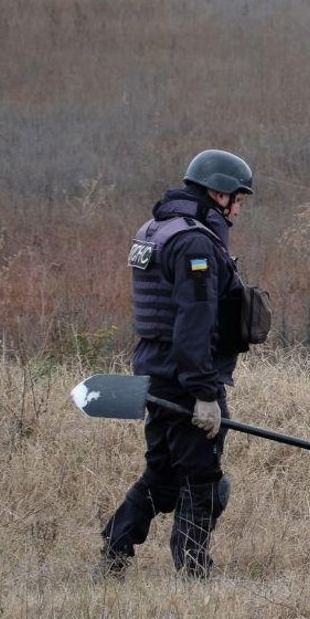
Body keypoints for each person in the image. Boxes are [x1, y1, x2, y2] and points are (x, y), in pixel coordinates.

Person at [96, 149, 256, 579]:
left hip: (154, 373)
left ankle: (113, 552)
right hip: (185, 377)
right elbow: (193, 323)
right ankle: (193, 572)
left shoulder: (155, 228)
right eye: (237, 199)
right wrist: (205, 395)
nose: (238, 209)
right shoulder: (195, 242)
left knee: (163, 474)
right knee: (203, 480)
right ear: (216, 193)